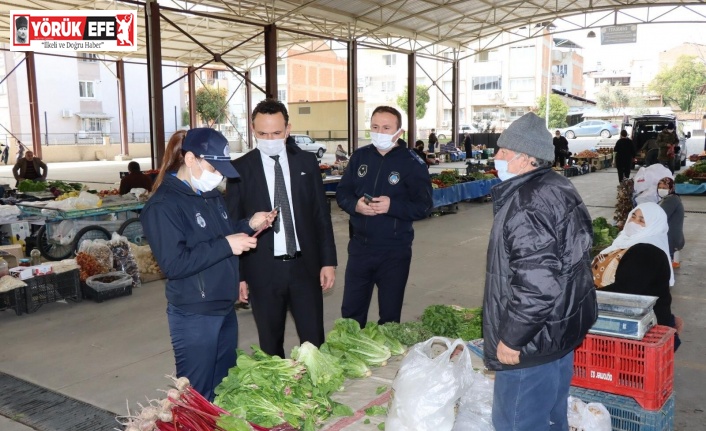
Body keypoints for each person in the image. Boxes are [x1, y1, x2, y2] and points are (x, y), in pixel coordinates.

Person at [140, 128, 275, 401]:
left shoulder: (210, 195)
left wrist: (248, 225)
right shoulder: (163, 206)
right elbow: (174, 264)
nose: (219, 175)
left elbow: (219, 236)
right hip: (195, 314)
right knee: (195, 396)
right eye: (214, 167)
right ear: (191, 159)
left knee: (222, 389)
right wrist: (227, 245)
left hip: (223, 308)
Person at [482, 112, 597, 431]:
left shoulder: (528, 202)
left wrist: (512, 338)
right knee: (551, 417)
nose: (497, 157)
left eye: (504, 152)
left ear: (526, 158)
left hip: (532, 345)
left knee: (517, 422)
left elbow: (536, 284)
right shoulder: (557, 185)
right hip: (557, 333)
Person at [225, 99, 337, 359]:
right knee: (270, 343)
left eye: (276, 133)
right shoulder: (239, 170)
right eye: (262, 133)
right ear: (253, 130)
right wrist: (239, 276)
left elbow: (321, 215)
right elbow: (233, 226)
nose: (270, 139)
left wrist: (328, 262)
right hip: (263, 270)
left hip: (305, 267)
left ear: (288, 129)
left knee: (313, 341)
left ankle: (315, 389)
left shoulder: (307, 164)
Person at [336, 106, 433, 329]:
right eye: (375, 127)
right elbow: (343, 193)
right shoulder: (360, 156)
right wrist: (355, 206)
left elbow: (424, 205)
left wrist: (393, 206)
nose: (380, 132)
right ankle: (352, 354)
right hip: (360, 248)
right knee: (351, 314)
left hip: (394, 251)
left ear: (399, 132)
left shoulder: (411, 162)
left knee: (389, 318)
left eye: (386, 128)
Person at [593, 202, 682, 351]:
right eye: (633, 216)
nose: (633, 222)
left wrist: (585, 296)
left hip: (642, 333)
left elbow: (625, 291)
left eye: (641, 221)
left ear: (654, 226)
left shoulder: (647, 251)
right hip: (628, 320)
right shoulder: (626, 242)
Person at [657, 177, 685, 268]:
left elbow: (660, 216)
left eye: (664, 188)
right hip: (674, 238)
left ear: (671, 188)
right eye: (659, 187)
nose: (661, 190)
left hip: (670, 239)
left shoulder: (671, 200)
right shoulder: (671, 198)